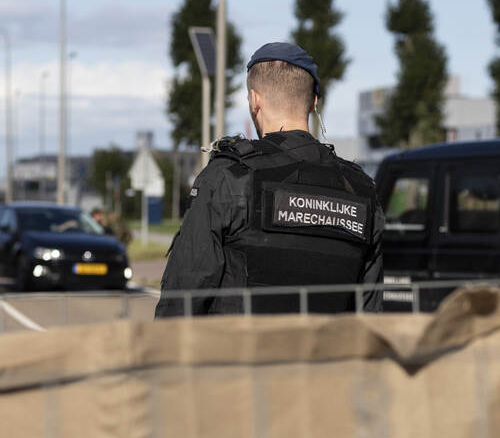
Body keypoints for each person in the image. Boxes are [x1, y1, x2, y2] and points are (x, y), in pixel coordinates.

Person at [155, 43, 383, 317]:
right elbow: (370, 314)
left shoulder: (229, 176)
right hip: (331, 347)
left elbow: (182, 298)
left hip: (237, 345)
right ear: (314, 102)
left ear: (255, 100)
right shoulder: (361, 190)